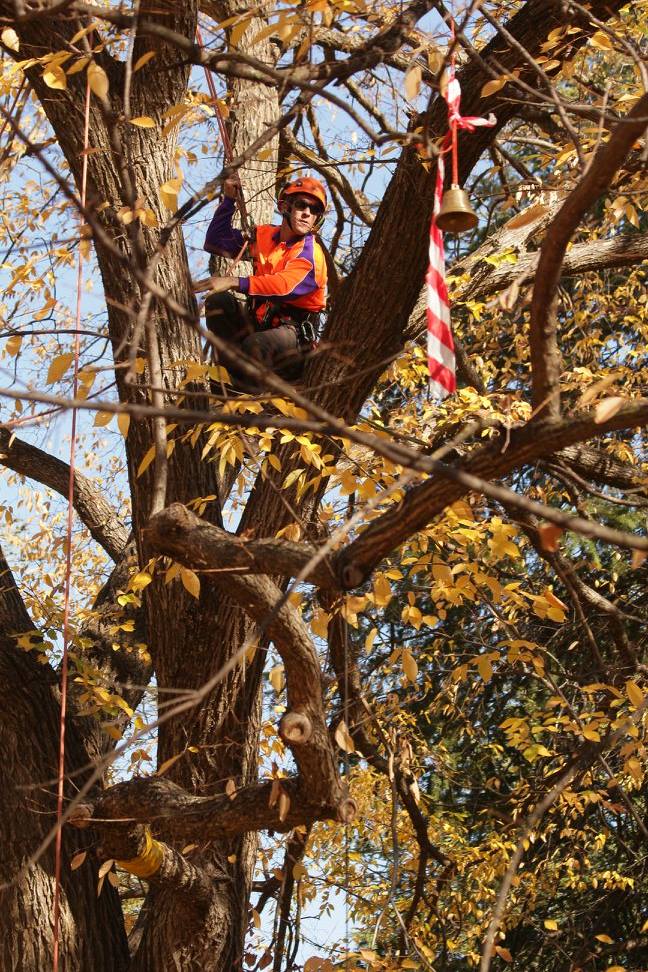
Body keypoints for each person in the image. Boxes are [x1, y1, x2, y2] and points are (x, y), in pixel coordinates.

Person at [195, 174, 328, 391]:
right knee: (218, 303)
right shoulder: (265, 237)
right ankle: (227, 386)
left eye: (314, 211)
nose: (307, 213)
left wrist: (235, 281)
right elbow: (216, 242)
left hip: (293, 342)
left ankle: (244, 405)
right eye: (302, 205)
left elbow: (286, 286)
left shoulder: (312, 254)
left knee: (256, 345)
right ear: (285, 205)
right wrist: (228, 200)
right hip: (258, 329)